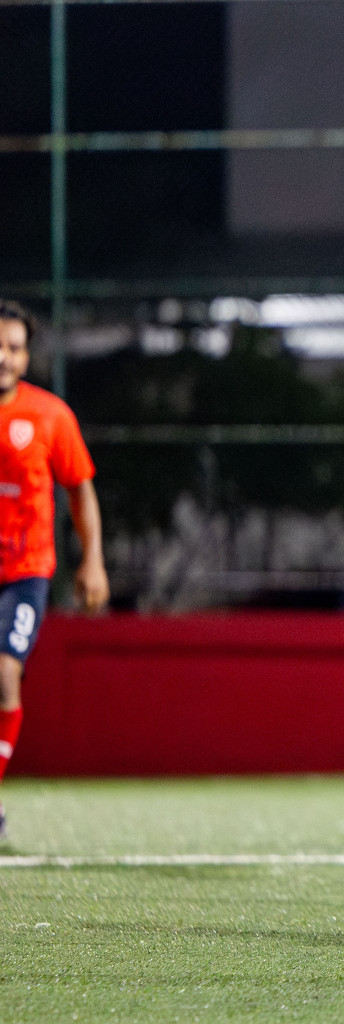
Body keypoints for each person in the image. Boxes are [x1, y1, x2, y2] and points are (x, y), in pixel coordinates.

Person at [0, 300, 110, 842]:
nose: (4, 355)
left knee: (3, 672)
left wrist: (92, 560)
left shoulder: (49, 415)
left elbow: (80, 490)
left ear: (26, 355)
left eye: (15, 347)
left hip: (25, 571)